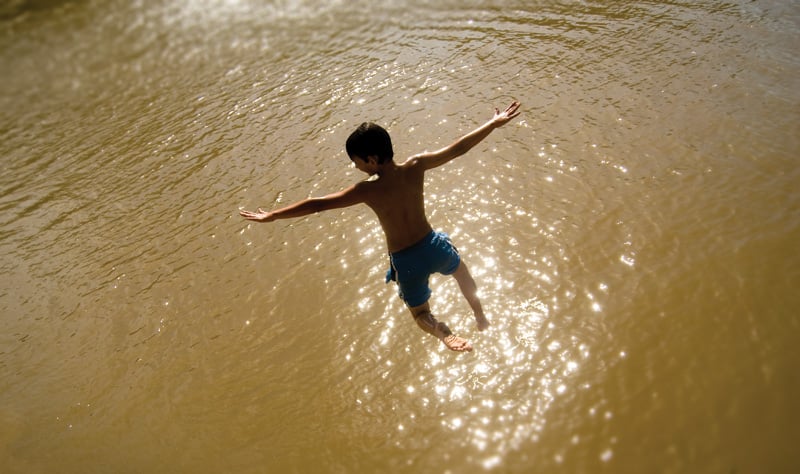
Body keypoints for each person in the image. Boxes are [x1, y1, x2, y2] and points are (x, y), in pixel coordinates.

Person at [240, 101, 521, 352]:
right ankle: (480, 317)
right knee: (461, 271)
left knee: (420, 314)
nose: (357, 168)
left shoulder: (366, 190)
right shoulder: (416, 166)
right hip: (433, 246)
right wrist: (493, 124)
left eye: (357, 162)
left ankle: (440, 330)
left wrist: (274, 215)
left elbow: (317, 204)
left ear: (372, 160)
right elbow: (459, 148)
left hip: (406, 261)